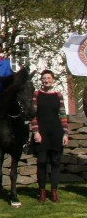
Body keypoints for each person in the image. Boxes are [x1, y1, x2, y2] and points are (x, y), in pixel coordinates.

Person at [31, 69, 69, 203]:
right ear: (41, 80)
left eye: (49, 78)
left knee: (55, 162)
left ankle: (54, 192)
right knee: (41, 162)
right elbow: (33, 115)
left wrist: (65, 133)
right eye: (44, 78)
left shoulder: (58, 95)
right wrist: (36, 132)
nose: (46, 80)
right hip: (41, 133)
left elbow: (63, 115)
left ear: (53, 80)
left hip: (56, 132)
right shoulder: (36, 94)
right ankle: (42, 192)